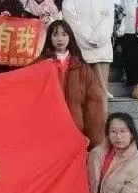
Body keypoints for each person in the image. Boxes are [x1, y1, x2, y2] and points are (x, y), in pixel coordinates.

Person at [40, 20, 104, 149]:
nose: (60, 39)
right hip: (47, 131)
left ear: (70, 37)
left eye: (64, 34)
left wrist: (93, 137)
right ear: (49, 38)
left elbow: (93, 103)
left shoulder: (81, 67)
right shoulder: (41, 65)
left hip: (76, 131)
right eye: (55, 34)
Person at [62, 0, 115, 100]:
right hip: (81, 46)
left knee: (103, 88)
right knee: (87, 90)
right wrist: (88, 40)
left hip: (102, 45)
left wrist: (98, 38)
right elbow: (72, 23)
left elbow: (108, 19)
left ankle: (104, 112)